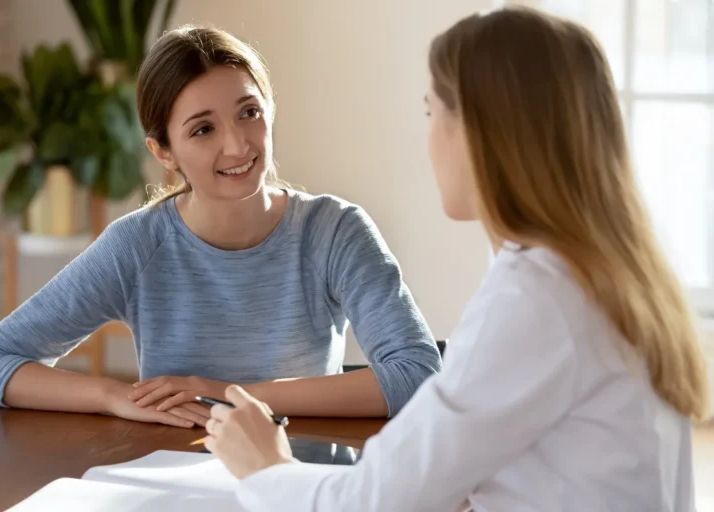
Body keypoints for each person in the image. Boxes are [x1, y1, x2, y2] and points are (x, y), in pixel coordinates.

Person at [202, 7, 710, 511]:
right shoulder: (611, 272)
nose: (429, 142)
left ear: (483, 133)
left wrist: (266, 466)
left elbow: (372, 502)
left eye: (432, 113)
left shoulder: (534, 296)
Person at [0, 26, 441, 427]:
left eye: (249, 113)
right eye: (203, 129)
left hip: (300, 478)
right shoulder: (139, 245)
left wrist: (228, 394)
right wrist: (113, 395)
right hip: (172, 476)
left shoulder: (335, 231)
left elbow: (417, 374)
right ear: (163, 152)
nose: (238, 146)